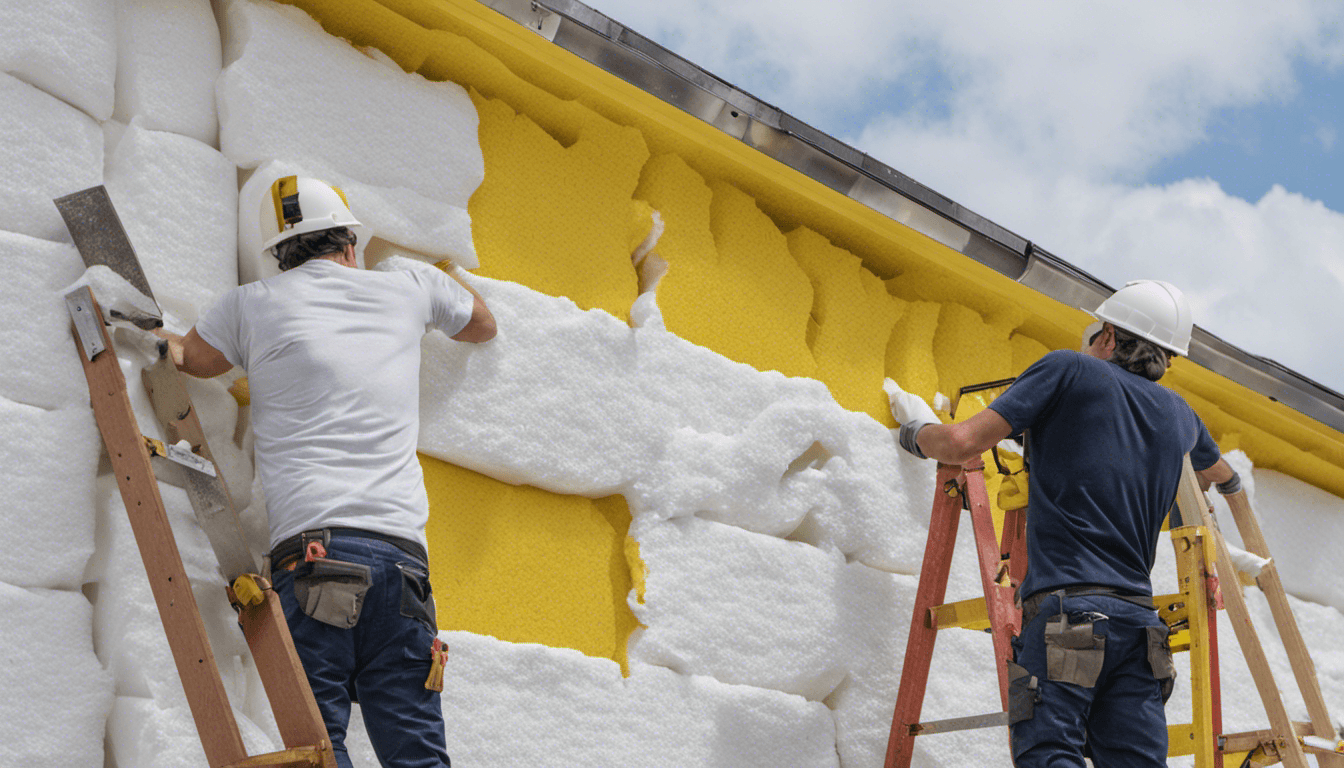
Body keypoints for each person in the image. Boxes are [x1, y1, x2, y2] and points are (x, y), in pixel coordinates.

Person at [158, 176, 494, 768]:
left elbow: (195, 359)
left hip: (315, 560)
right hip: (403, 569)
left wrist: (156, 338)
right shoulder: (408, 287)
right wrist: (437, 273)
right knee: (416, 753)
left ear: (280, 256)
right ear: (350, 246)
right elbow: (483, 325)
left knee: (320, 747)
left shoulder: (251, 304)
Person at [890, 279, 1238, 767]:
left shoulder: (1068, 370)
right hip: (1140, 631)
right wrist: (1233, 487)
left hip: (1072, 621)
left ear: (1111, 336)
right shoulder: (1180, 414)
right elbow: (1217, 469)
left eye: (1095, 331)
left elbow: (960, 443)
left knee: (1051, 755)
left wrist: (914, 432)